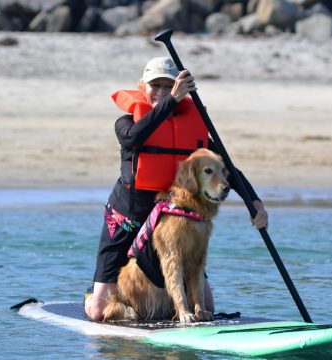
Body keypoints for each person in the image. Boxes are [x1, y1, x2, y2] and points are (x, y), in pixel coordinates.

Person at [84, 57, 268, 321]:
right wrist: (172, 99)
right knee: (99, 312)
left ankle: (171, 306)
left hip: (172, 224)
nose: (161, 92)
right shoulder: (125, 123)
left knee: (207, 306)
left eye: (168, 86)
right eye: (155, 86)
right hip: (127, 220)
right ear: (142, 87)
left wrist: (255, 203)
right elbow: (135, 139)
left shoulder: (193, 132)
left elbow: (227, 168)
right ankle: (92, 292)